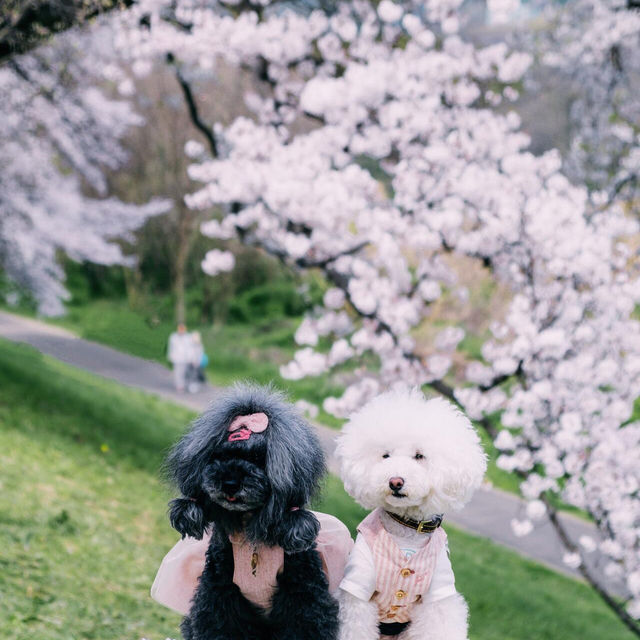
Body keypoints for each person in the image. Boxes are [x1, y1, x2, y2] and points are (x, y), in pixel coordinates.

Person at [167, 324, 192, 392]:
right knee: (177, 372)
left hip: (185, 358)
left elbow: (190, 349)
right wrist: (170, 356)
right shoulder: (173, 337)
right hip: (177, 358)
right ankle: (179, 386)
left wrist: (190, 358)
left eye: (182, 329)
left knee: (184, 373)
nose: (181, 330)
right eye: (180, 329)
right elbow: (171, 347)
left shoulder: (188, 337)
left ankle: (184, 385)